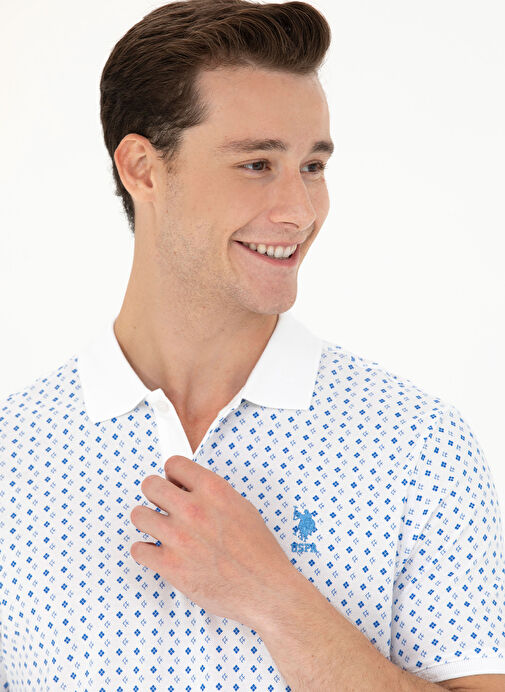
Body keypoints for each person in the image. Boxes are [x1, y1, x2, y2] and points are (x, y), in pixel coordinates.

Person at [1, 0, 504, 690]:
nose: (300, 210)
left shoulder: (418, 447)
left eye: (312, 165)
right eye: (257, 164)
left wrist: (274, 599)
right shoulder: (12, 456)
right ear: (143, 168)